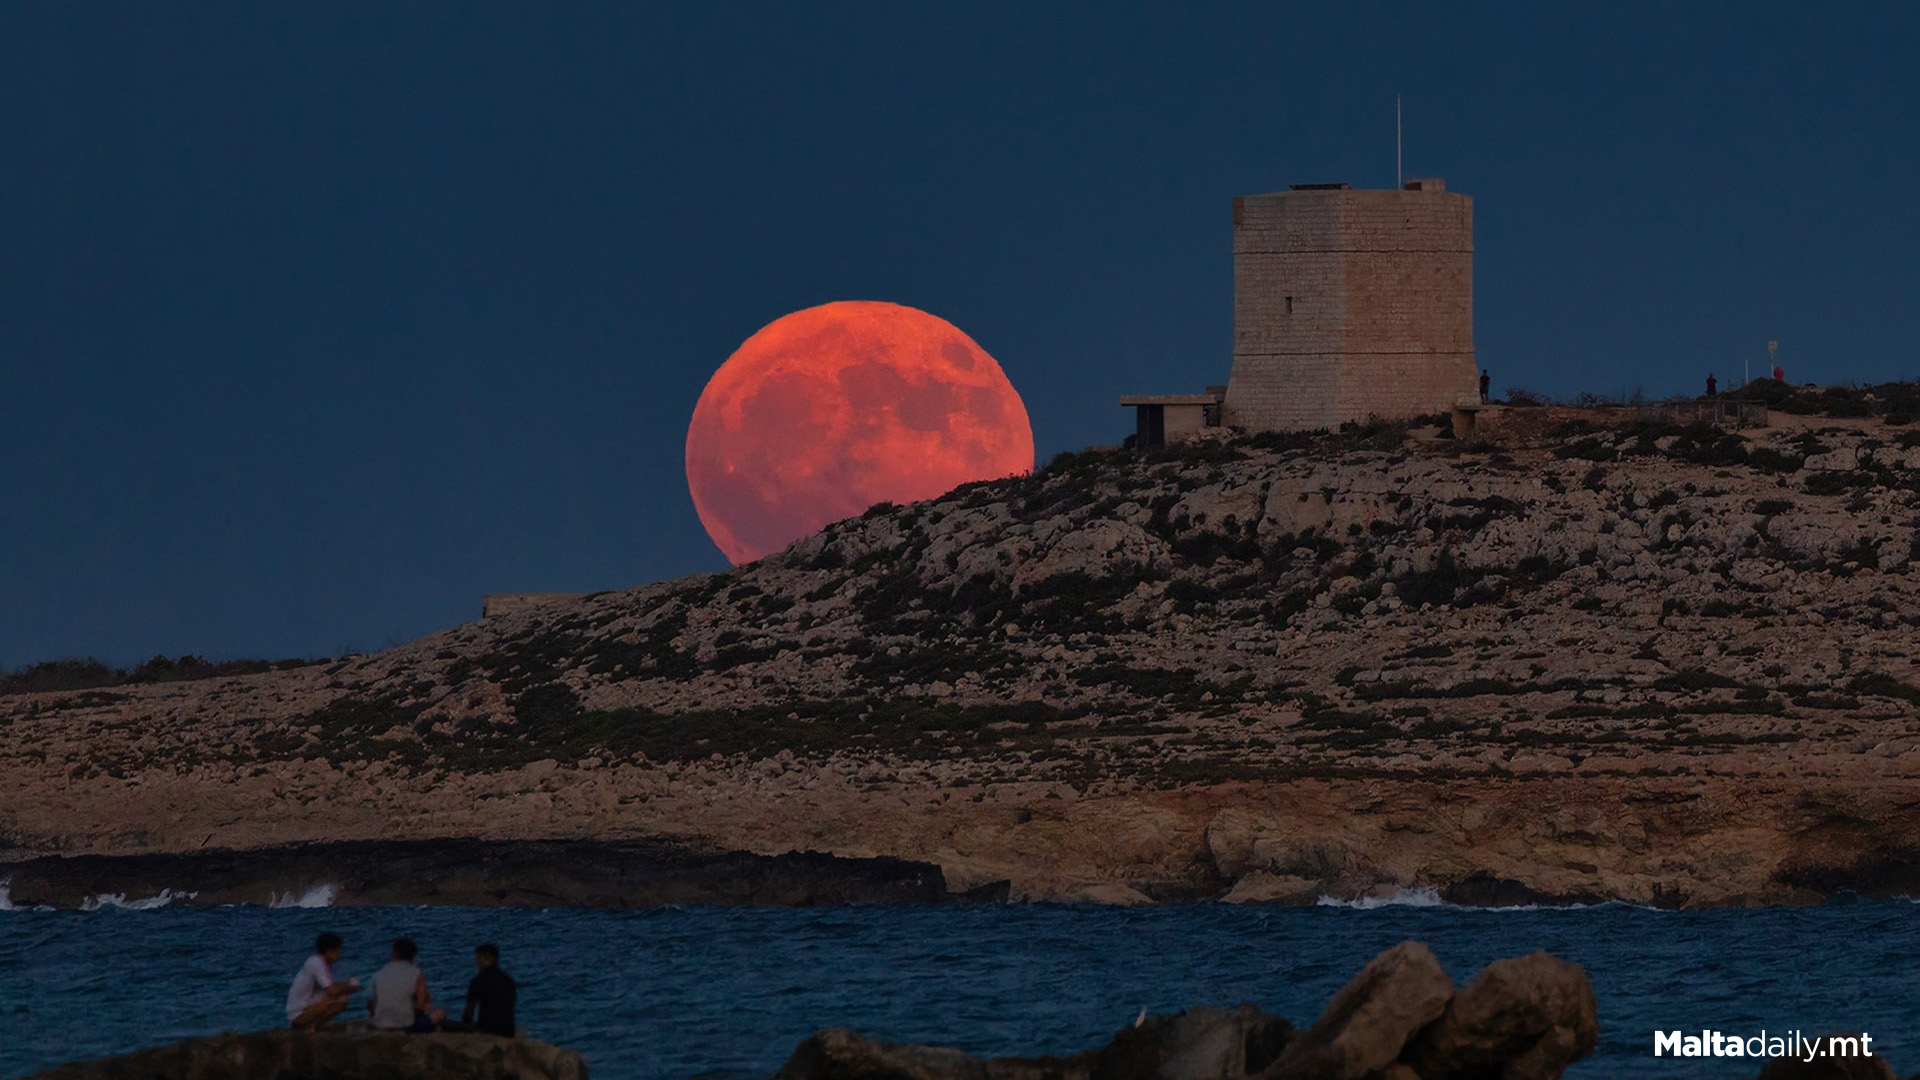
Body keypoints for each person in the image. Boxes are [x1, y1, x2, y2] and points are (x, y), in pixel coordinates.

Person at [369, 938, 446, 1033]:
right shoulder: (417, 974)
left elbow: (372, 1002)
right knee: (440, 1013)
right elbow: (421, 1005)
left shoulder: (380, 973)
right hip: (406, 1026)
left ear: (393, 954)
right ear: (413, 956)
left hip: (381, 1024)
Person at [286, 932, 359, 1031]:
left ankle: (313, 1025)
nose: (339, 954)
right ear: (329, 952)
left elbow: (330, 986)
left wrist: (347, 984)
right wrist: (350, 987)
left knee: (341, 996)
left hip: (302, 1010)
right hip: (299, 1013)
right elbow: (331, 990)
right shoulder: (317, 964)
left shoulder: (318, 962)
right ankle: (309, 1026)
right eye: (338, 950)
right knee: (341, 999)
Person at [463, 943, 518, 1037]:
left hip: (488, 1030)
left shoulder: (478, 981)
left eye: (479, 959)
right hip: (508, 1031)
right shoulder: (509, 981)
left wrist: (466, 1024)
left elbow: (469, 1012)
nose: (477, 963)